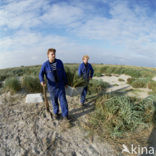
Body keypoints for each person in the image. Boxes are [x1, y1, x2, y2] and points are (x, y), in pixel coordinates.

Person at [39, 48, 69, 124]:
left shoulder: (59, 62)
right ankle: (56, 113)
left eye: (54, 54)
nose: (54, 55)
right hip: (52, 87)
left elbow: (64, 73)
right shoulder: (45, 64)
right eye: (52, 54)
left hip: (60, 85)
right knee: (54, 101)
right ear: (48, 55)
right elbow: (40, 74)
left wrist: (66, 82)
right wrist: (42, 80)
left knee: (63, 101)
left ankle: (65, 116)